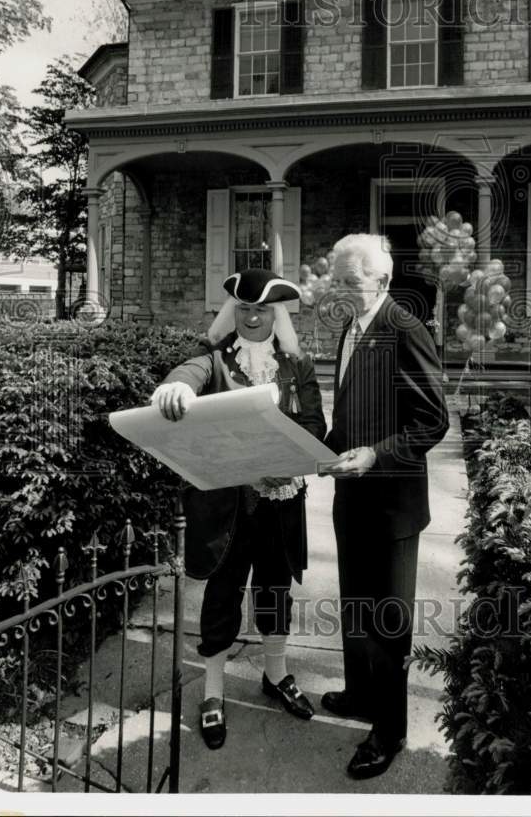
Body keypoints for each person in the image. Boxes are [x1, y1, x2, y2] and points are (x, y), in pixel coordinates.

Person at [151, 268, 326, 750]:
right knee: (223, 594)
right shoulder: (215, 360)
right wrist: (177, 388)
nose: (253, 316)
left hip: (282, 501)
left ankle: (276, 674)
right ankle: (212, 691)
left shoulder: (297, 367)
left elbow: (314, 427)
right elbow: (190, 374)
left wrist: (288, 461)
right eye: (245, 308)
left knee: (275, 588)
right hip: (229, 505)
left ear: (275, 314)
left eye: (263, 309)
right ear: (235, 311)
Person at [320, 233, 449, 780]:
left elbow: (431, 421)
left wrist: (374, 456)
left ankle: (389, 729)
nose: (342, 291)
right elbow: (348, 416)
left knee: (387, 619)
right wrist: (308, 451)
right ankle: (359, 694)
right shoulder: (353, 325)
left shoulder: (404, 328)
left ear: (382, 279)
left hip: (391, 504)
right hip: (351, 498)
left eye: (351, 282)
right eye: (337, 280)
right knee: (356, 608)